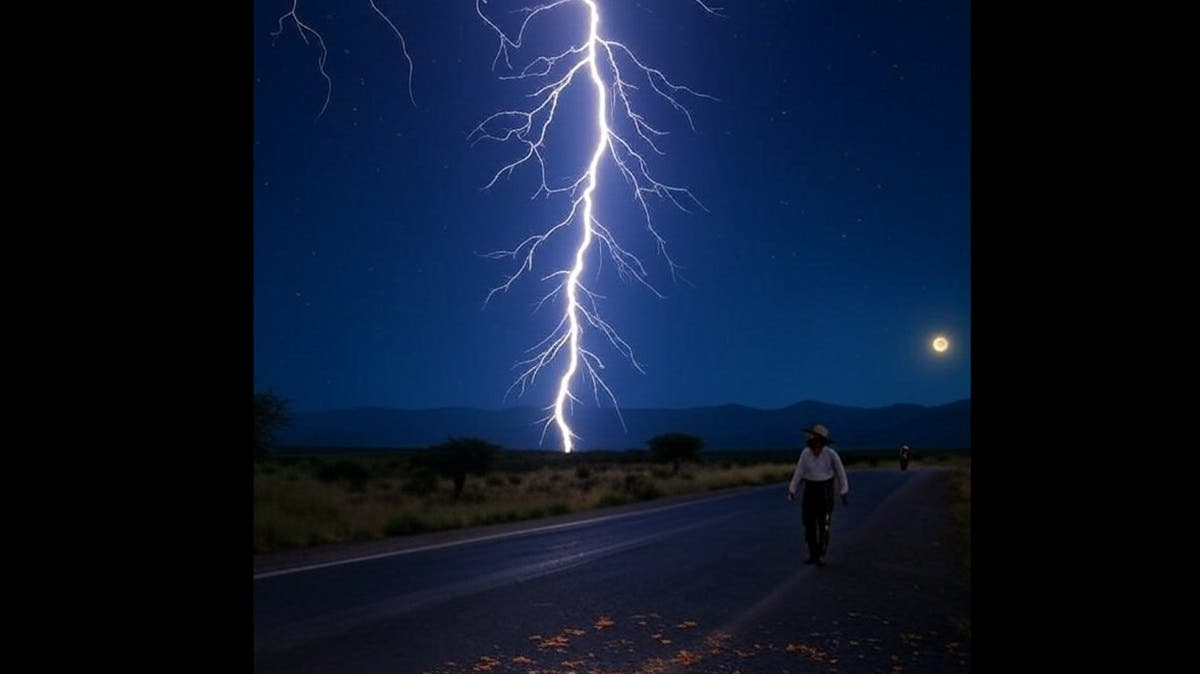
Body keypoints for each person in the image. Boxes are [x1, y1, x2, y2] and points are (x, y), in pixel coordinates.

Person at [787, 423, 849, 567]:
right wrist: (792, 489)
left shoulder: (831, 454)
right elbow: (799, 472)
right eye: (810, 439)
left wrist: (843, 491)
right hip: (810, 489)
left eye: (815, 439)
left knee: (823, 524)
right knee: (808, 524)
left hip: (825, 489)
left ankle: (821, 554)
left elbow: (841, 473)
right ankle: (813, 553)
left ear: (821, 441)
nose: (812, 442)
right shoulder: (805, 454)